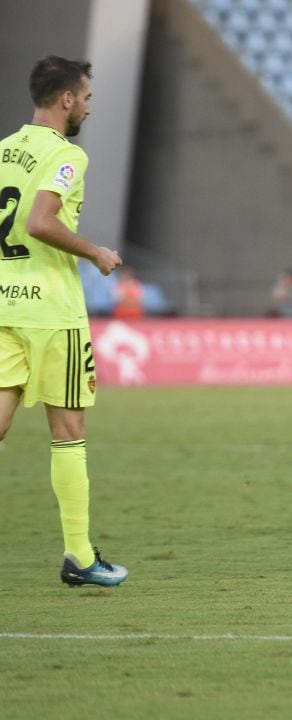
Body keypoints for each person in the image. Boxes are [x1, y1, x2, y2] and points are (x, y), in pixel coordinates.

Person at [0, 56, 127, 587]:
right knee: (69, 431)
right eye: (88, 98)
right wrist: (95, 251)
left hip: (5, 302)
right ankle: (78, 556)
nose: (91, 108)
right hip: (52, 313)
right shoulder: (66, 154)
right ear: (67, 100)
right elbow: (40, 221)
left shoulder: (4, 150)